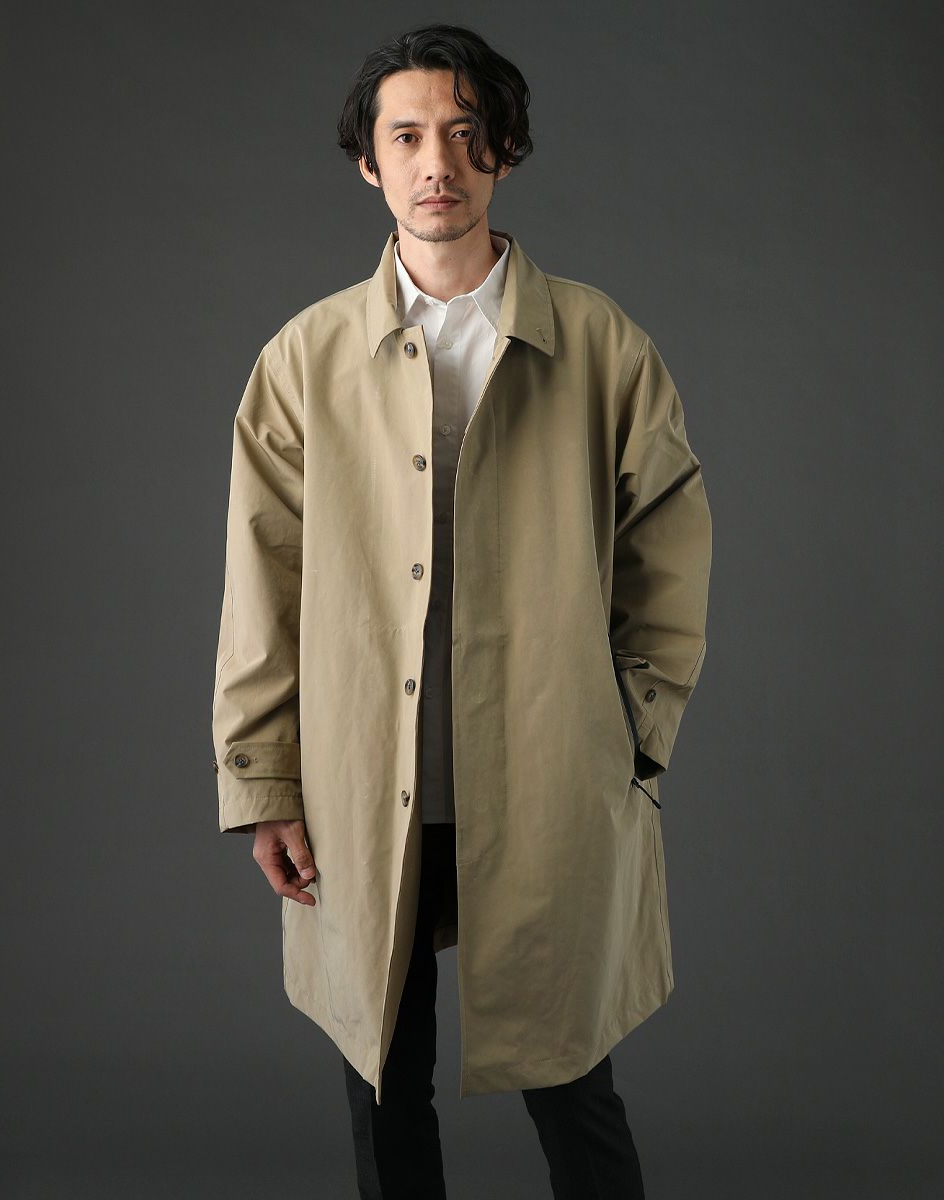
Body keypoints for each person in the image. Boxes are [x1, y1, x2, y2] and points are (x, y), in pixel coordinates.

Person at [212, 22, 712, 1200]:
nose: (437, 160)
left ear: (504, 150)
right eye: (407, 136)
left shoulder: (599, 345)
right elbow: (262, 579)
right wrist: (265, 780)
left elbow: (668, 546)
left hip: (545, 780)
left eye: (464, 131)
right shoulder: (303, 359)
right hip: (360, 785)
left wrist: (633, 735)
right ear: (368, 162)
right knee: (382, 1085)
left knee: (572, 1082)